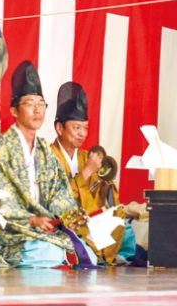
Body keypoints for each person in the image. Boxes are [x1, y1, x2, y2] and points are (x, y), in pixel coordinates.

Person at [0, 62, 97, 268]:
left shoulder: (44, 150)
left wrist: (72, 216)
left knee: (89, 255)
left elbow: (58, 192)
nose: (37, 111)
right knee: (47, 254)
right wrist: (32, 220)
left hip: (43, 226)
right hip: (11, 228)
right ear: (14, 111)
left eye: (41, 104)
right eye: (30, 104)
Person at [50, 81, 136, 263]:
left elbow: (96, 200)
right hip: (62, 220)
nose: (82, 134)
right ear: (59, 128)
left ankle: (101, 254)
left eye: (85, 128)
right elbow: (54, 199)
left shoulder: (84, 157)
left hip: (87, 219)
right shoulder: (48, 156)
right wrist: (86, 173)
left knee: (121, 219)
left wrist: (105, 183)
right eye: (76, 128)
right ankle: (96, 254)